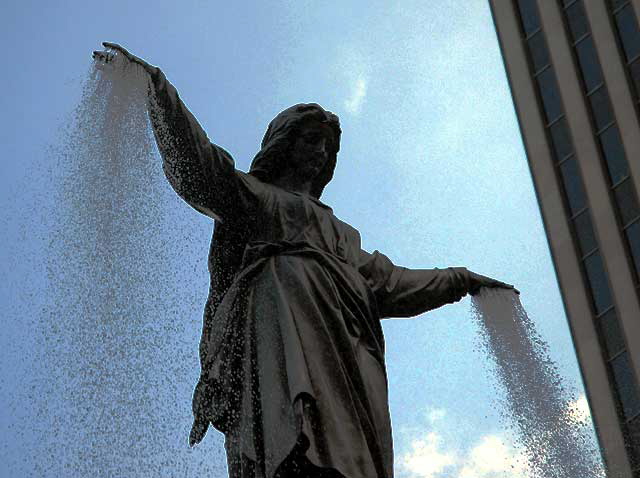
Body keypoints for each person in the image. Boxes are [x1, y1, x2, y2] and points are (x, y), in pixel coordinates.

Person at [93, 43, 519, 478]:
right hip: (280, 336)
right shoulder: (259, 200)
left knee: (349, 454)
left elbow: (392, 284)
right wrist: (158, 92)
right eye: (312, 140)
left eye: (330, 147)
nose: (322, 153)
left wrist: (460, 280)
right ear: (286, 143)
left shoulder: (343, 236)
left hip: (345, 354)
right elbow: (203, 171)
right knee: (291, 440)